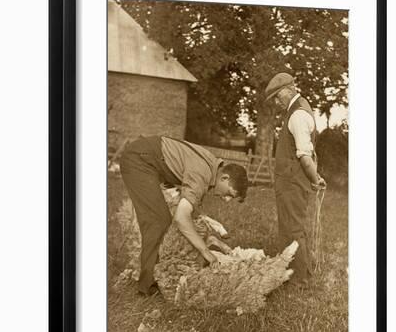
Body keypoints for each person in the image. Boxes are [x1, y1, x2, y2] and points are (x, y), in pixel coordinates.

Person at [119, 135, 248, 295]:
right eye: (229, 193)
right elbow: (181, 218)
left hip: (149, 158)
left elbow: (191, 208)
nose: (227, 200)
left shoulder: (211, 166)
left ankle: (154, 270)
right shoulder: (201, 175)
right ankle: (147, 284)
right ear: (224, 178)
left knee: (165, 218)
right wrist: (205, 252)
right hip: (140, 160)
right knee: (158, 220)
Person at [265, 72, 326, 286]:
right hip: (290, 181)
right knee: (291, 226)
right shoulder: (297, 111)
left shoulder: (298, 115)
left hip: (292, 182)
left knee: (293, 228)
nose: (275, 101)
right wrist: (314, 176)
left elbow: (304, 156)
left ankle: (301, 280)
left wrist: (315, 179)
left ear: (287, 90)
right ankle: (293, 273)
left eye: (276, 96)